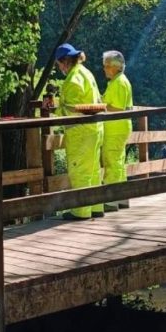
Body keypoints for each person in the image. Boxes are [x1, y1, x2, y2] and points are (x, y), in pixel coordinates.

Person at [52, 43, 103, 220]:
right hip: (95, 128)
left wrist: (55, 110)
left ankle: (81, 212)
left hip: (80, 132)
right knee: (93, 170)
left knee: (79, 171)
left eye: (59, 65)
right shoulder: (86, 72)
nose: (60, 69)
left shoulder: (72, 80)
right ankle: (96, 207)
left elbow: (73, 109)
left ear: (64, 61)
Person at [101, 51, 133, 203]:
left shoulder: (118, 83)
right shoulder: (119, 81)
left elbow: (118, 108)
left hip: (115, 128)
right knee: (118, 162)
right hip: (120, 127)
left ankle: (111, 200)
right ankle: (121, 198)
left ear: (116, 67)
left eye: (107, 66)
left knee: (111, 162)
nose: (104, 69)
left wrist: (101, 106)